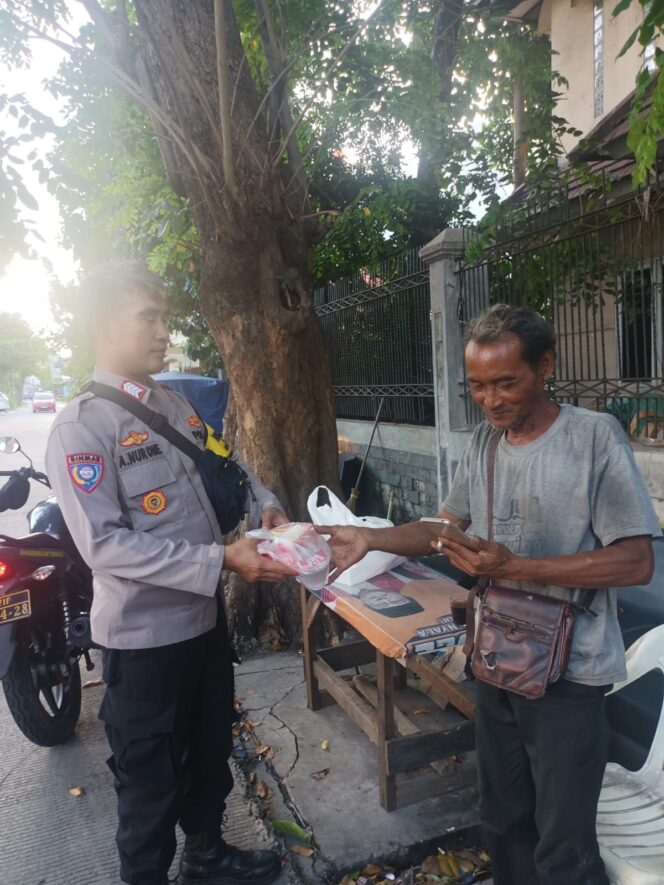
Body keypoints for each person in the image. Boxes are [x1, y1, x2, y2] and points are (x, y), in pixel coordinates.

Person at [320, 304, 660, 885]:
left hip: (569, 674)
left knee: (564, 844)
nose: (491, 399)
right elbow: (441, 527)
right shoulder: (485, 442)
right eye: (477, 386)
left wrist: (518, 564)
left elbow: (637, 560)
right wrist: (369, 538)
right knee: (503, 819)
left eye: (507, 382)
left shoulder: (593, 438)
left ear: (544, 366)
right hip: (498, 655)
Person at [45, 262, 297, 885]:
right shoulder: (81, 427)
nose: (163, 331)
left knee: (210, 752)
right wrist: (222, 560)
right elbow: (105, 546)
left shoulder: (173, 404)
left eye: (165, 318)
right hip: (143, 644)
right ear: (104, 326)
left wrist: (262, 499)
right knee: (150, 780)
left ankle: (206, 856)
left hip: (202, 627)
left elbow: (227, 465)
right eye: (147, 319)